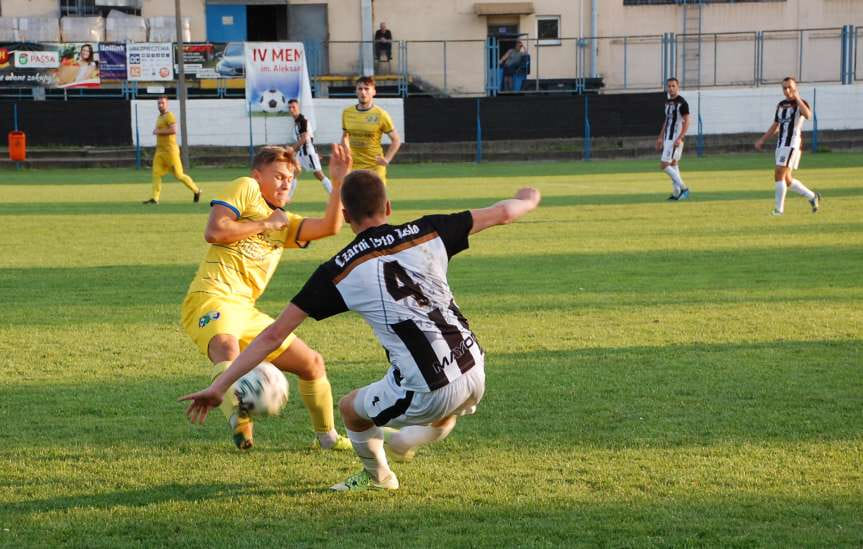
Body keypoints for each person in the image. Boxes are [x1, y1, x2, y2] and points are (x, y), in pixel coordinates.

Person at [180, 169, 541, 491]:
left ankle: (378, 478)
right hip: (475, 365)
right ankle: (410, 438)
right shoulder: (429, 229)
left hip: (429, 386)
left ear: (346, 216)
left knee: (350, 408)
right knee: (441, 407)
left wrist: (219, 386)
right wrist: (528, 199)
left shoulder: (337, 271)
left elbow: (273, 336)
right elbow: (504, 212)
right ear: (388, 206)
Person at [179, 144, 353, 452]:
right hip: (212, 296)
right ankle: (241, 423)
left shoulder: (284, 222)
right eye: (279, 176)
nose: (286, 182)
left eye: (290, 178)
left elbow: (330, 227)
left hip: (245, 310)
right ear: (258, 175)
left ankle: (328, 438)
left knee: (312, 363)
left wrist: (338, 183)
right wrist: (265, 224)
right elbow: (214, 231)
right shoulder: (246, 188)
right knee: (226, 347)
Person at [754, 76, 821, 216]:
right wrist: (762, 140)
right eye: (784, 87)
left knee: (778, 173)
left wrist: (797, 98)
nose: (787, 90)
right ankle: (812, 196)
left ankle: (778, 210)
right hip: (781, 144)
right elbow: (776, 125)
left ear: (795, 87)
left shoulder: (801, 103)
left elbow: (808, 115)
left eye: (790, 87)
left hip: (792, 143)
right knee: (787, 179)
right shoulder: (781, 105)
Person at [341, 76, 401, 184]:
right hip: (353, 167)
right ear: (356, 91)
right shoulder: (347, 113)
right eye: (360, 89)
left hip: (375, 167)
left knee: (378, 200)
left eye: (367, 89)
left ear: (374, 92)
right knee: (354, 200)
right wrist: (345, 151)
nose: (363, 92)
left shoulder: (381, 114)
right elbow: (345, 135)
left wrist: (387, 159)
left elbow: (396, 140)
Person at [143, 96, 201, 205]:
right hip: (160, 151)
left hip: (170, 151)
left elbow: (174, 130)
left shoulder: (169, 116)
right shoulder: (160, 117)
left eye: (162, 103)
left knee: (179, 175)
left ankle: (196, 191)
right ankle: (155, 198)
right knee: (156, 173)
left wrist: (158, 132)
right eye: (159, 103)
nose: (160, 105)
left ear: (167, 104)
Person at [287, 99, 333, 197]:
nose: (291, 109)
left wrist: (292, 149)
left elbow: (304, 138)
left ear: (298, 107)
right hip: (302, 153)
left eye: (293, 107)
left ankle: (335, 194)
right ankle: (287, 197)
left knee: (319, 175)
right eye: (289, 107)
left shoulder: (302, 121)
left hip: (307, 153)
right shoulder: (297, 122)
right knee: (293, 172)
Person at [655, 77, 691, 201]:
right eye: (669, 86)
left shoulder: (682, 103)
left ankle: (684, 188)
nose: (671, 88)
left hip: (675, 139)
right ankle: (676, 193)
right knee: (674, 164)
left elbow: (687, 122)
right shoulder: (667, 102)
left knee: (664, 165)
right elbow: (667, 121)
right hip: (667, 138)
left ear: (678, 87)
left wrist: (680, 138)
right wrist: (660, 137)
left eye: (673, 86)